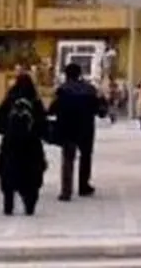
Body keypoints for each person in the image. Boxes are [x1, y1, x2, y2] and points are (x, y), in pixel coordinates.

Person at [48, 63, 107, 201]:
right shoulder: (90, 89)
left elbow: (52, 110)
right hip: (86, 128)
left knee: (68, 159)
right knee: (85, 157)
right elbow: (100, 111)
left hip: (67, 128)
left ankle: (66, 191)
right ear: (80, 74)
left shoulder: (62, 90)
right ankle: (83, 186)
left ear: (66, 75)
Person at [0, 73, 48, 216]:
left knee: (8, 173)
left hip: (10, 145)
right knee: (32, 175)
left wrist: (8, 131)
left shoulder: (9, 100)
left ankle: (8, 204)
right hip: (32, 146)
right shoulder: (35, 101)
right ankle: (30, 204)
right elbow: (43, 125)